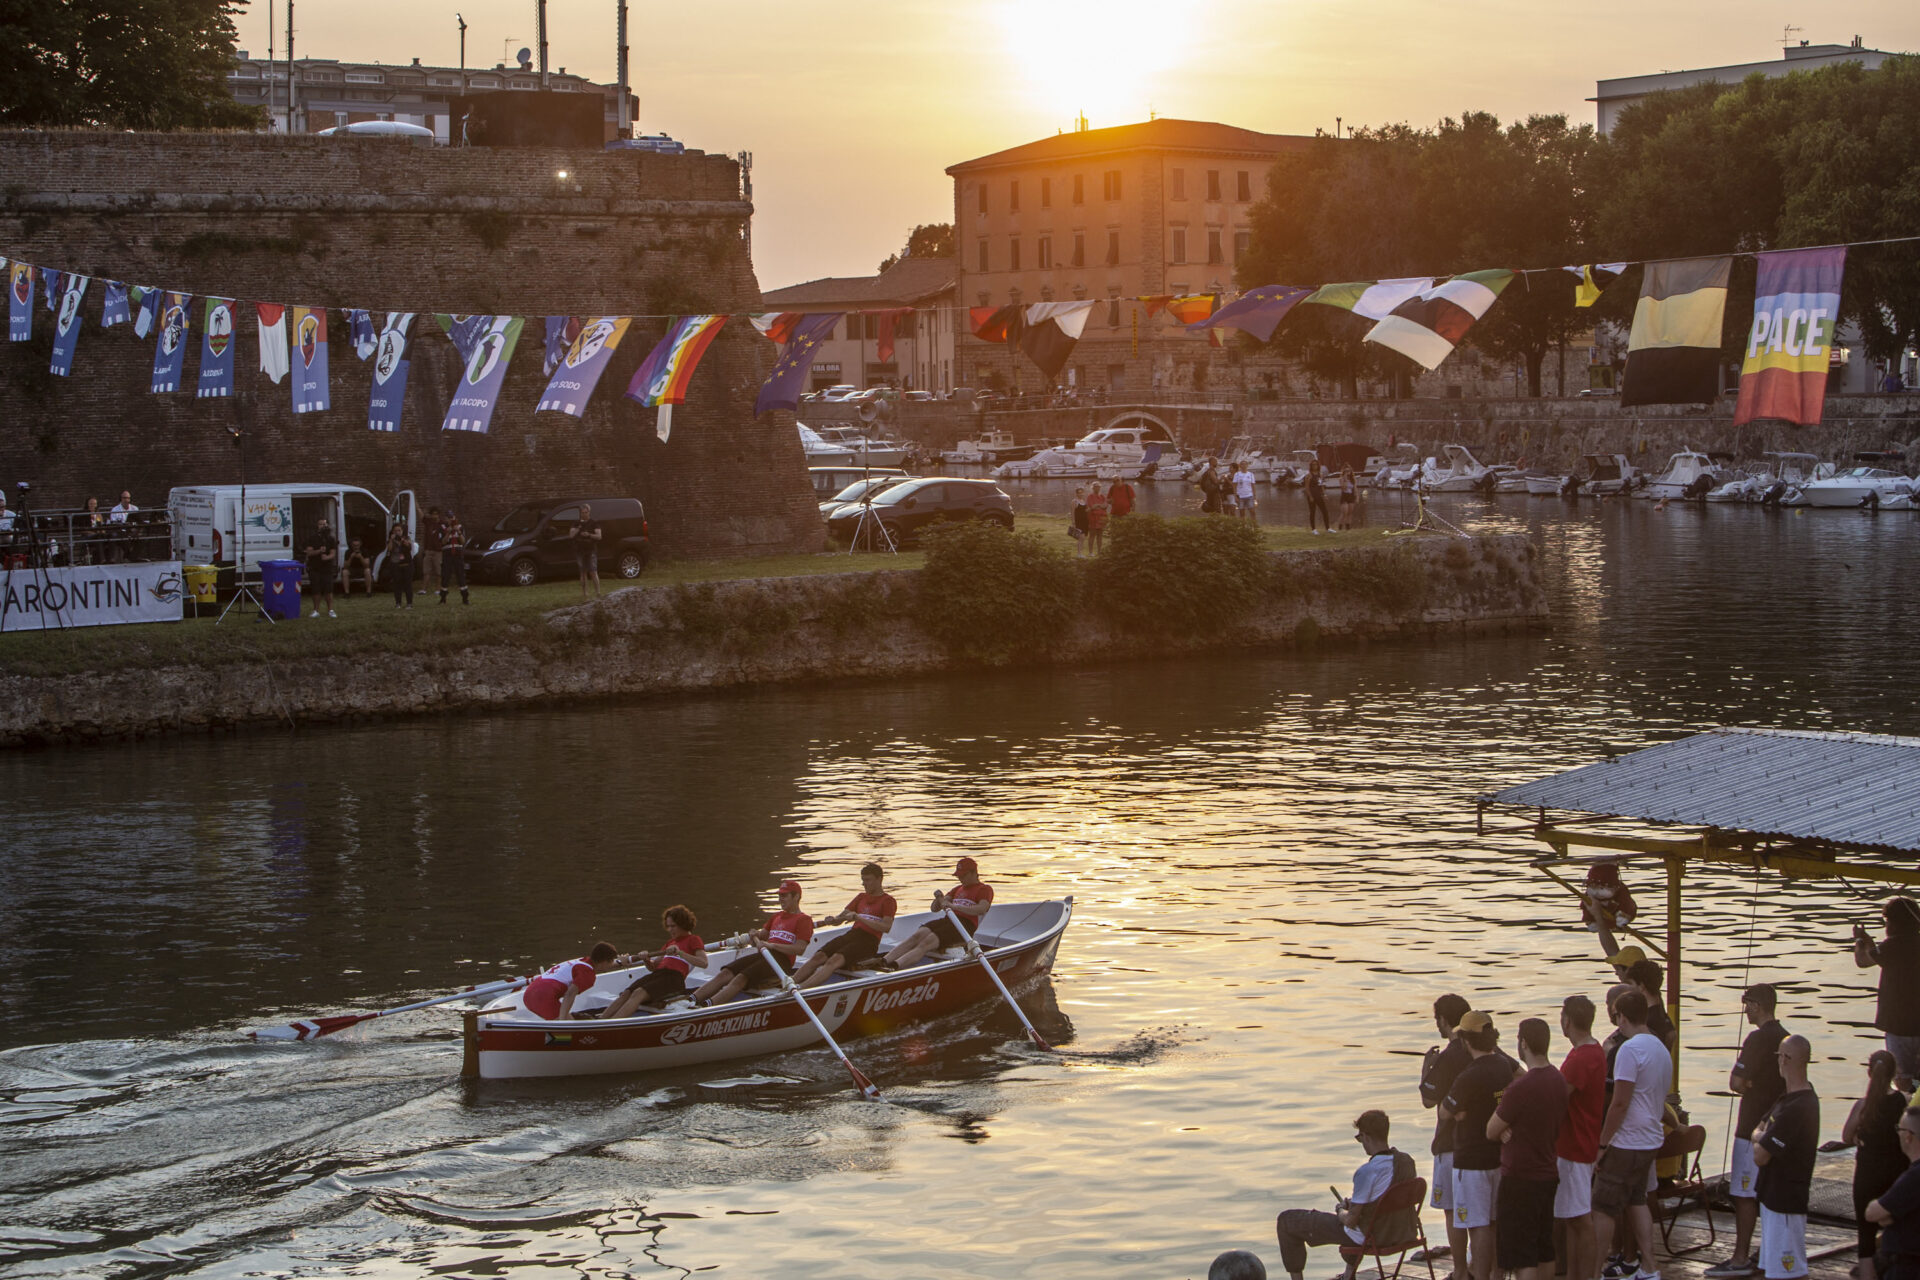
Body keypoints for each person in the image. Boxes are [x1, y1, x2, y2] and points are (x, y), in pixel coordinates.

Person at [1275, 1109, 1418, 1280]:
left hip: (1372, 1236)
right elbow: (1386, 1198)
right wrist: (1358, 1205)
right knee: (1356, 1218)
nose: (1361, 1142)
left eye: (1360, 1138)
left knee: (1287, 1221)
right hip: (1401, 1232)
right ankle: (1349, 1274)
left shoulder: (1368, 1171)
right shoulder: (1406, 1161)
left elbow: (1350, 1221)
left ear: (1366, 1136)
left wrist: (1341, 1210)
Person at [1709, 984, 1791, 1277]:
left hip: (1750, 1128)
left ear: (1758, 1005)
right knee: (1768, 1192)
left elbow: (1735, 1083)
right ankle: (1767, 1252)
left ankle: (1740, 1257)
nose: (1745, 1009)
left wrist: (1748, 1084)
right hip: (1776, 1126)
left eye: (1747, 1004)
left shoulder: (1756, 1039)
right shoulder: (1785, 1037)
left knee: (1744, 1194)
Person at [1592, 988, 1671, 1280]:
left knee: (1602, 1206)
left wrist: (1602, 1144)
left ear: (1622, 1016)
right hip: (1650, 1137)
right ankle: (1649, 1267)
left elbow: (1620, 1102)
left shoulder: (1629, 1049)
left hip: (1626, 1141)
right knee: (1637, 1201)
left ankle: (1594, 1270)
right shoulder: (1659, 1046)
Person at [1442, 1011, 1522, 1280]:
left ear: (1466, 1040)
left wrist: (1458, 1113)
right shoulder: (1502, 1064)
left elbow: (1444, 1110)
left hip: (1471, 1159)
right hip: (1498, 1156)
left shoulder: (1469, 1075)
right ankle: (1498, 1275)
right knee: (1495, 1221)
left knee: (1478, 1226)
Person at [1489, 1017, 1567, 1280]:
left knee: (1523, 1254)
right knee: (1544, 1247)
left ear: (1522, 1044)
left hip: (1520, 1177)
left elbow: (1490, 1129)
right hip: (1548, 1172)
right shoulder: (1558, 1079)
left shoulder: (1520, 1087)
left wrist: (1505, 1130)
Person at [1751, 1035, 1819, 1280]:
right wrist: (1762, 1135)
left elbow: (1760, 1155)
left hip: (1786, 1200)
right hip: (1771, 1198)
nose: (1777, 1061)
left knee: (1789, 1272)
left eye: (1779, 1055)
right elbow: (1757, 1129)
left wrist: (1761, 1136)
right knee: (1772, 1269)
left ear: (1786, 1059)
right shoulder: (1786, 1097)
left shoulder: (1798, 1107)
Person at [1421, 992, 1477, 1276]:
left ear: (1444, 1020)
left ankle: (1459, 1270)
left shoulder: (1448, 1056)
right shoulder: (1483, 1050)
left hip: (1450, 1143)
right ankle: (1478, 1265)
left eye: (1437, 1020)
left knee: (1453, 1210)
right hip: (1481, 1141)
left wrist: (1426, 1071)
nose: (1437, 1026)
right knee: (1479, 1210)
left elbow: (1428, 1099)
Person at [691, 880, 813, 1005]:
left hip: (781, 961)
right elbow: (759, 940)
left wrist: (771, 945)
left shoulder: (804, 920)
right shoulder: (776, 917)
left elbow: (800, 949)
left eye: (784, 896)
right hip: (765, 955)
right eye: (779, 896)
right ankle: (691, 1000)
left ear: (796, 896)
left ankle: (707, 1006)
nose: (780, 899)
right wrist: (754, 935)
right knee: (726, 972)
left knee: (740, 978)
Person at [1850, 1050, 1912, 1279]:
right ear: (1894, 1073)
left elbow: (1846, 1135)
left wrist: (1858, 1136)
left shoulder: (1863, 1106)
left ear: (1869, 1072)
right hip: (1896, 1177)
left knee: (1865, 1240)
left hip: (1866, 1177)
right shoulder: (1903, 1100)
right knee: (1897, 1230)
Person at [1558, 994, 1607, 1280]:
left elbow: (1557, 1096)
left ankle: (1588, 1275)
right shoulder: (1593, 1051)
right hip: (1580, 1142)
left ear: (1567, 1020)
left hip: (1575, 1146)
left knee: (1579, 1217)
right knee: (1573, 1218)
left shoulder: (1581, 1058)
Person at [794, 863, 898, 988]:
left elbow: (886, 927)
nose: (864, 884)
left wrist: (859, 917)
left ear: (879, 879)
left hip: (869, 941)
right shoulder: (861, 897)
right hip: (852, 935)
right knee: (818, 956)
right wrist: (832, 920)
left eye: (867, 880)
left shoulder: (888, 901)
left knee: (834, 960)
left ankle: (800, 989)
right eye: (862, 880)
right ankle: (789, 984)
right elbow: (841, 918)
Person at [1855, 897, 1920, 1089]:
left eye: (1887, 921)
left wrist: (1859, 939)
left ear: (1893, 922)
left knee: (1902, 1081)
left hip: (1898, 1026)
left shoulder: (1893, 945)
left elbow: (1863, 961)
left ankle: (1907, 1115)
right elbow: (1875, 952)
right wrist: (1869, 942)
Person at [883, 857, 993, 970]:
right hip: (948, 921)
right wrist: (939, 900)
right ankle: (884, 961)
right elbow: (934, 909)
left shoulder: (984, 889)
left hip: (964, 927)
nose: (960, 878)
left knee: (927, 941)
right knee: (918, 935)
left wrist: (955, 906)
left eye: (963, 875)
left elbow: (982, 909)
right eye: (958, 876)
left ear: (974, 873)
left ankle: (895, 966)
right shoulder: (957, 889)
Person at [602, 906, 708, 1018]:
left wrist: (680, 953)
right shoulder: (669, 943)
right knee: (626, 993)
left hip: (674, 979)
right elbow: (653, 967)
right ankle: (601, 1020)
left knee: (638, 993)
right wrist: (646, 960)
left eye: (673, 926)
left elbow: (704, 963)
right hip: (658, 975)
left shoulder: (693, 939)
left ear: (683, 924)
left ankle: (613, 1023)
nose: (670, 930)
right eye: (668, 926)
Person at [1864, 1107, 1920, 1280]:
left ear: (1908, 1136)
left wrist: (1889, 1215)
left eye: (1899, 1129)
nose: (1898, 1134)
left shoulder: (1914, 1177)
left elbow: (1873, 1213)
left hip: (1907, 1268)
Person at [523, 941, 620, 1020]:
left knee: (568, 1022)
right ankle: (561, 1041)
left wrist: (622, 962)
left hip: (529, 993)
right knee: (568, 1032)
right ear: (604, 961)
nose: (612, 964)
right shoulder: (588, 975)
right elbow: (569, 994)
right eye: (611, 961)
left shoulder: (583, 961)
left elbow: (602, 966)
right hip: (542, 997)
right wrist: (563, 1021)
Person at [1625, 959, 1677, 1055]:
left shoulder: (1647, 1022)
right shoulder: (1664, 1017)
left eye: (1631, 984)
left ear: (1641, 986)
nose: (1628, 989)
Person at [302, 517, 339, 618]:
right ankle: (316, 610)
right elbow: (309, 552)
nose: (323, 526)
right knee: (316, 589)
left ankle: (330, 610)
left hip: (327, 568)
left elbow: (333, 553)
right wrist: (319, 551)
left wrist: (327, 557)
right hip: (314, 567)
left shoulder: (331, 539)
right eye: (321, 524)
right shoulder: (312, 538)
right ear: (317, 526)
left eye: (325, 524)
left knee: (328, 589)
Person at [439, 509, 470, 605]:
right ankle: (443, 597)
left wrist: (458, 531)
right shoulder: (443, 528)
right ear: (445, 519)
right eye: (448, 518)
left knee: (460, 575)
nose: (450, 520)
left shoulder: (460, 527)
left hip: (457, 552)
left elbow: (463, 541)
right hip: (447, 553)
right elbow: (442, 542)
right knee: (446, 575)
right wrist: (448, 533)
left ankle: (465, 597)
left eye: (452, 517)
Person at [572, 502, 602, 598]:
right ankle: (585, 593)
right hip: (579, 550)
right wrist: (578, 528)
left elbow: (599, 536)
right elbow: (571, 535)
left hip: (591, 550)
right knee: (583, 572)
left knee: (593, 571)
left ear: (589, 512)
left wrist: (589, 535)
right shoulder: (576, 523)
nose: (584, 514)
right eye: (582, 512)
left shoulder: (594, 523)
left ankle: (598, 592)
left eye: (585, 512)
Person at [386, 521, 415, 609]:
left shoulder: (407, 538)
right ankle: (398, 603)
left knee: (408, 585)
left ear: (402, 531)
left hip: (407, 564)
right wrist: (391, 539)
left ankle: (409, 603)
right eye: (395, 531)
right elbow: (389, 549)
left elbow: (409, 547)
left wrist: (401, 540)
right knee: (397, 585)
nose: (397, 532)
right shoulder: (391, 540)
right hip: (396, 565)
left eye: (399, 530)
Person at [420, 505, 444, 597]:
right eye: (433, 514)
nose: (435, 516)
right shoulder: (428, 522)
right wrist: (416, 502)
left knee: (439, 571)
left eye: (436, 514)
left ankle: (438, 589)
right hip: (428, 550)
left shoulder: (442, 524)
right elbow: (421, 515)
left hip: (438, 551)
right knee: (426, 571)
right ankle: (423, 589)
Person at [1305, 463, 1331, 535]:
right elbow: (1307, 487)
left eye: (1316, 464)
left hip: (1319, 495)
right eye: (1313, 465)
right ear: (1311, 466)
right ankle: (1313, 529)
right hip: (1312, 495)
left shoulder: (1320, 475)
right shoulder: (1309, 475)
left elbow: (1321, 485)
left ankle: (1328, 528)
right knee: (1312, 512)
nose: (1314, 466)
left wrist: (1324, 494)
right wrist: (1310, 496)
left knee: (1325, 511)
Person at [1086, 484, 1110, 556]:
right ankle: (1090, 552)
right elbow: (1092, 507)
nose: (1097, 488)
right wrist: (1100, 506)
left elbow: (1105, 505)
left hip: (1101, 518)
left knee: (1100, 535)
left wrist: (1097, 505)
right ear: (1093, 488)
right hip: (1093, 518)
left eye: (1099, 487)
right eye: (1095, 487)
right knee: (1092, 535)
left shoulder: (1102, 496)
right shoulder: (1090, 496)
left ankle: (1099, 552)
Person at [1071, 486, 1090, 553]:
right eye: (1079, 493)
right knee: (1080, 537)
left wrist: (1089, 509)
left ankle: (1081, 552)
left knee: (1084, 537)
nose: (1081, 494)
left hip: (1085, 521)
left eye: (1082, 493)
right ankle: (1079, 553)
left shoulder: (1083, 501)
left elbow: (1084, 511)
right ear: (1076, 494)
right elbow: (1072, 512)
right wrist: (1073, 522)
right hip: (1078, 522)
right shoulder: (1074, 501)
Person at [1337, 468, 1357, 532]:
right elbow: (1343, 488)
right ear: (1344, 472)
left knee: (1350, 512)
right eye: (1346, 471)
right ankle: (1340, 527)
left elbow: (1355, 488)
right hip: (1344, 496)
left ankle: (1348, 527)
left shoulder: (1353, 479)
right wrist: (1345, 480)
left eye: (1349, 471)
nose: (1348, 473)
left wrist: (1357, 496)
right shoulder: (1341, 479)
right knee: (1344, 512)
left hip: (1351, 495)